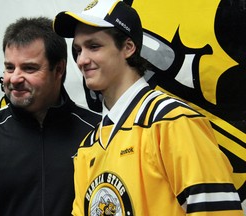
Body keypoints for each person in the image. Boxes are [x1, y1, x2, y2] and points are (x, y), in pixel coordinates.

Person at [53, 0, 244, 215]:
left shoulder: (173, 121)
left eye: (94, 46)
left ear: (128, 47)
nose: (81, 60)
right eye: (78, 50)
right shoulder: (88, 146)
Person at [0, 17, 101, 216]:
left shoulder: (98, 132)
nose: (14, 78)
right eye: (9, 67)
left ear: (58, 69)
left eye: (29, 68)